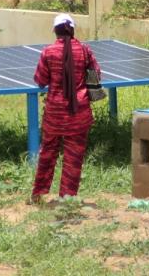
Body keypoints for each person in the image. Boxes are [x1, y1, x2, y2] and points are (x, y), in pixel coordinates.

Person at [30, 13, 100, 205]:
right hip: (79, 114)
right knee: (73, 157)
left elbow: (41, 80)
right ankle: (67, 198)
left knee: (47, 153)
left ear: (56, 31)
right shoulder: (85, 51)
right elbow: (96, 74)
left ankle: (38, 194)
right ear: (73, 30)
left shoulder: (48, 52)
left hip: (54, 115)